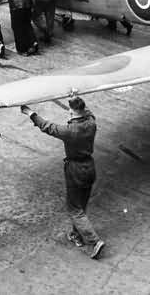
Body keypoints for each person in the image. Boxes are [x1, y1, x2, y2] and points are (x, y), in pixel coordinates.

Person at [20, 96, 106, 260]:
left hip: (75, 170)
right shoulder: (91, 123)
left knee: (74, 209)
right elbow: (88, 113)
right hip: (89, 167)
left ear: (71, 111)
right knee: (81, 204)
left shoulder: (70, 131)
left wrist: (30, 113)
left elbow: (47, 127)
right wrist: (76, 97)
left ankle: (94, 241)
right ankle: (76, 235)